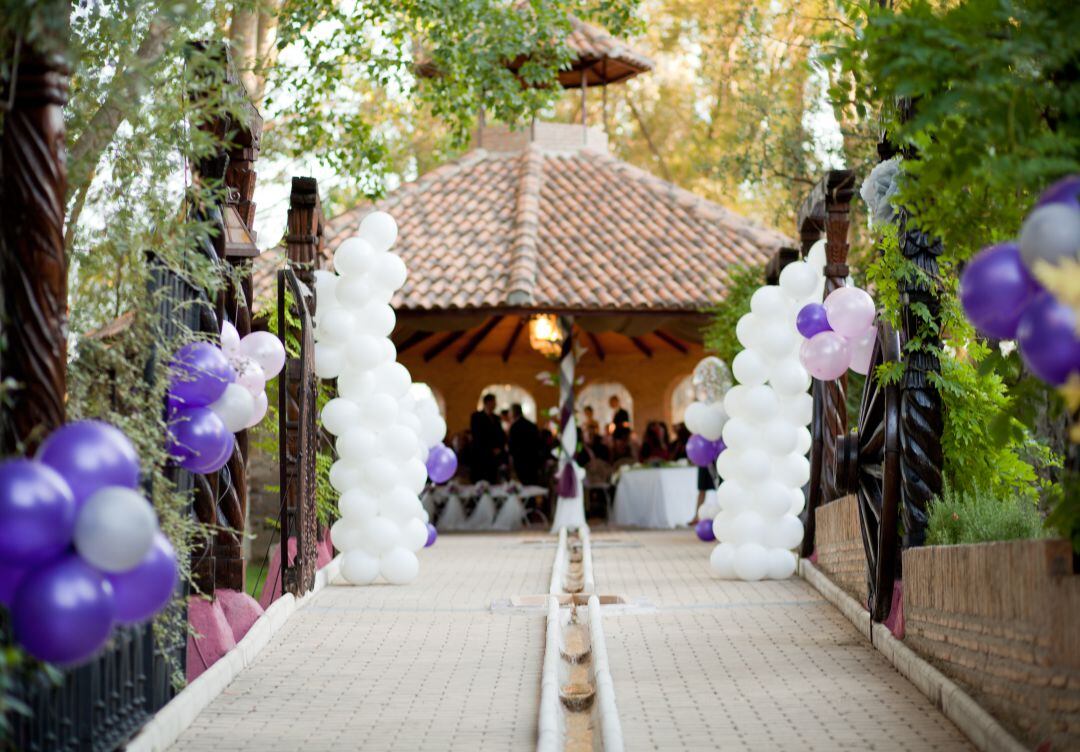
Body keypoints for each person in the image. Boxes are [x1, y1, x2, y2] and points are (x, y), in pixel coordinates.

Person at [469, 394, 506, 483]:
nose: (495, 404)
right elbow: (477, 436)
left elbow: (500, 435)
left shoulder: (496, 418)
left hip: (494, 458)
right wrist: (490, 449)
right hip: (481, 456)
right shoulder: (476, 417)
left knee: (492, 480)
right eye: (493, 402)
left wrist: (499, 448)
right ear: (487, 403)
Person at [508, 403, 542, 485]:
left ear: (513, 413)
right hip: (532, 461)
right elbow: (538, 443)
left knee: (523, 486)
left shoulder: (514, 427)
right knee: (532, 485)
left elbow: (512, 446)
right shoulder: (532, 425)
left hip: (520, 462)